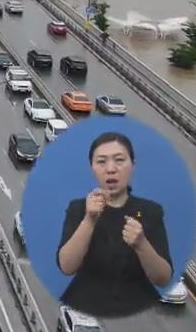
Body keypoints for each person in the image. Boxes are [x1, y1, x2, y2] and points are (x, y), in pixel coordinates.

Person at [56, 132, 173, 317]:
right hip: (85, 308)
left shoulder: (150, 211)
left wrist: (142, 244)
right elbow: (66, 266)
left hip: (137, 311)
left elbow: (163, 277)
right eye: (101, 162)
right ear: (92, 167)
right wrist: (89, 219)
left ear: (132, 166)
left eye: (119, 160)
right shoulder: (78, 208)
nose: (111, 169)